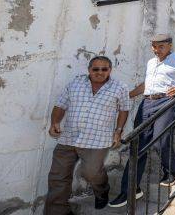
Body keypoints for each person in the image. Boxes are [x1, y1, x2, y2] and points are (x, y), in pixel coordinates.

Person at [109, 34, 175, 208]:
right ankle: (130, 190)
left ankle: (171, 170)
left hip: (168, 102)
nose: (156, 50)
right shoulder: (151, 62)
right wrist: (128, 95)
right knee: (137, 146)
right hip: (147, 103)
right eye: (154, 46)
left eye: (160, 46)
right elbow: (146, 84)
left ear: (169, 46)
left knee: (160, 139)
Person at [45, 56, 131, 214]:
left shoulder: (120, 87)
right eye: (95, 69)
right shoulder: (75, 83)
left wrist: (118, 131)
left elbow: (124, 110)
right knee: (58, 177)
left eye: (104, 69)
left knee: (91, 172)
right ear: (89, 70)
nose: (100, 72)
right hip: (68, 138)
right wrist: (55, 122)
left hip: (97, 140)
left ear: (110, 70)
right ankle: (58, 211)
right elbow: (60, 105)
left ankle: (102, 189)